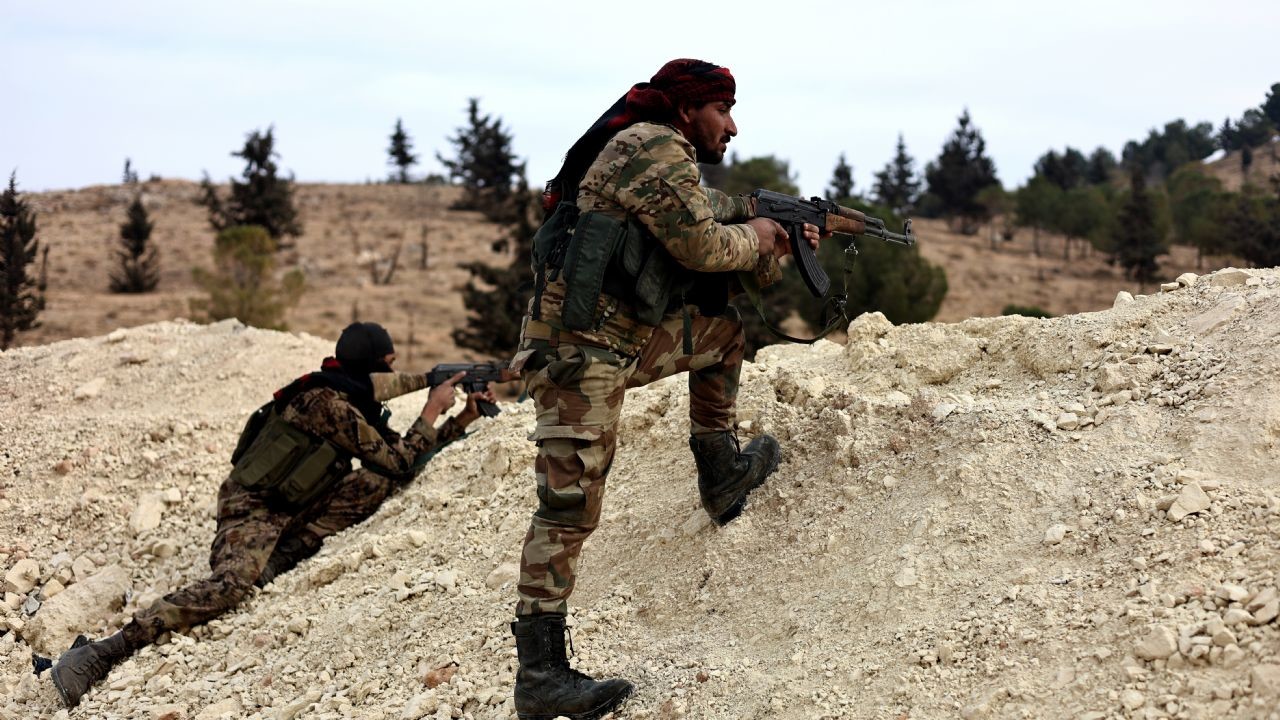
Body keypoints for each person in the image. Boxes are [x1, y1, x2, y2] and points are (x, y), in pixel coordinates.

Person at [507, 59, 825, 720]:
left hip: (617, 339)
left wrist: (778, 241)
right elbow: (707, 247)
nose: (731, 127)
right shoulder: (653, 145)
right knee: (568, 508)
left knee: (722, 333)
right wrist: (760, 236)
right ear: (689, 110)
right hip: (578, 353)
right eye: (723, 110)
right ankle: (541, 677)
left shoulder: (660, 153)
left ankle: (723, 474)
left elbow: (714, 235)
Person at [50, 322, 497, 708]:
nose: (392, 372)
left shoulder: (348, 395)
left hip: (292, 507)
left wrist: (461, 419)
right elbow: (399, 458)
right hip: (253, 508)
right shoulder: (329, 404)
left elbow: (396, 461)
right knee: (231, 586)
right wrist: (432, 410)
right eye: (387, 362)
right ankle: (101, 653)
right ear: (369, 365)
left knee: (374, 483)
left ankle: (278, 558)